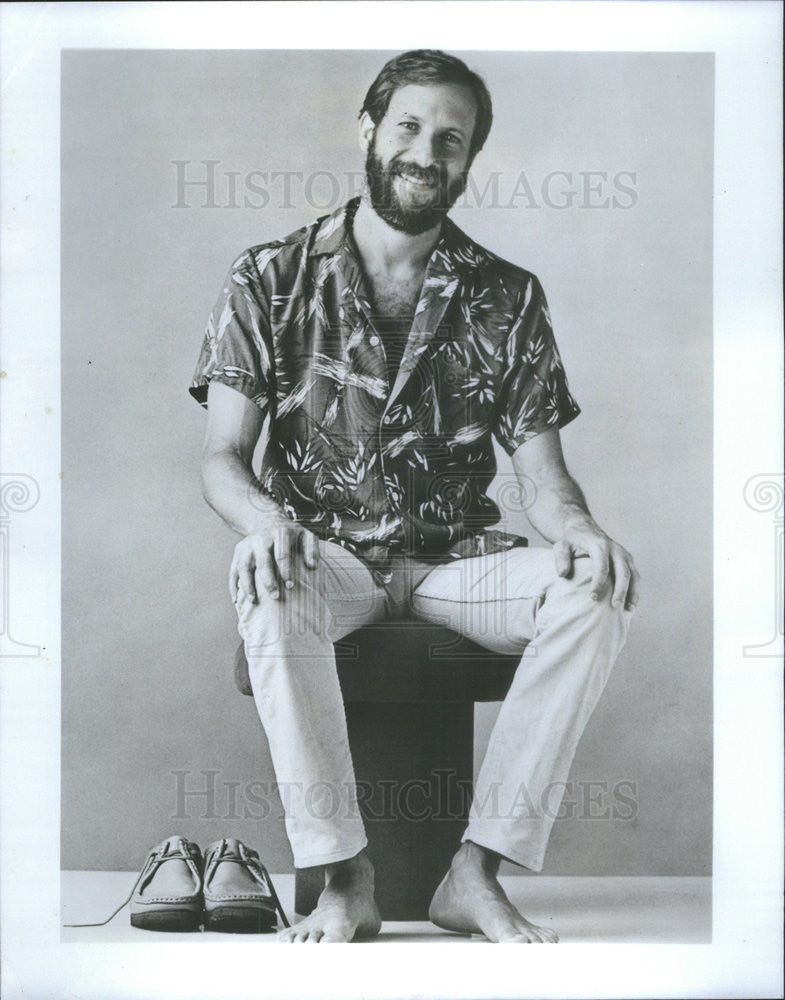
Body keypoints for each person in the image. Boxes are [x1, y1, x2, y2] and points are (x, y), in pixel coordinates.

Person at [190, 49, 639, 944]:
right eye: (407, 126)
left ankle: (473, 873)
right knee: (262, 573)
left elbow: (542, 480)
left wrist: (581, 528)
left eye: (449, 138)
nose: (424, 151)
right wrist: (268, 522)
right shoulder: (269, 277)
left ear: (467, 161)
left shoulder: (507, 296)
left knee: (593, 590)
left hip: (454, 565)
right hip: (327, 558)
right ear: (367, 130)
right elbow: (222, 458)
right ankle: (344, 876)